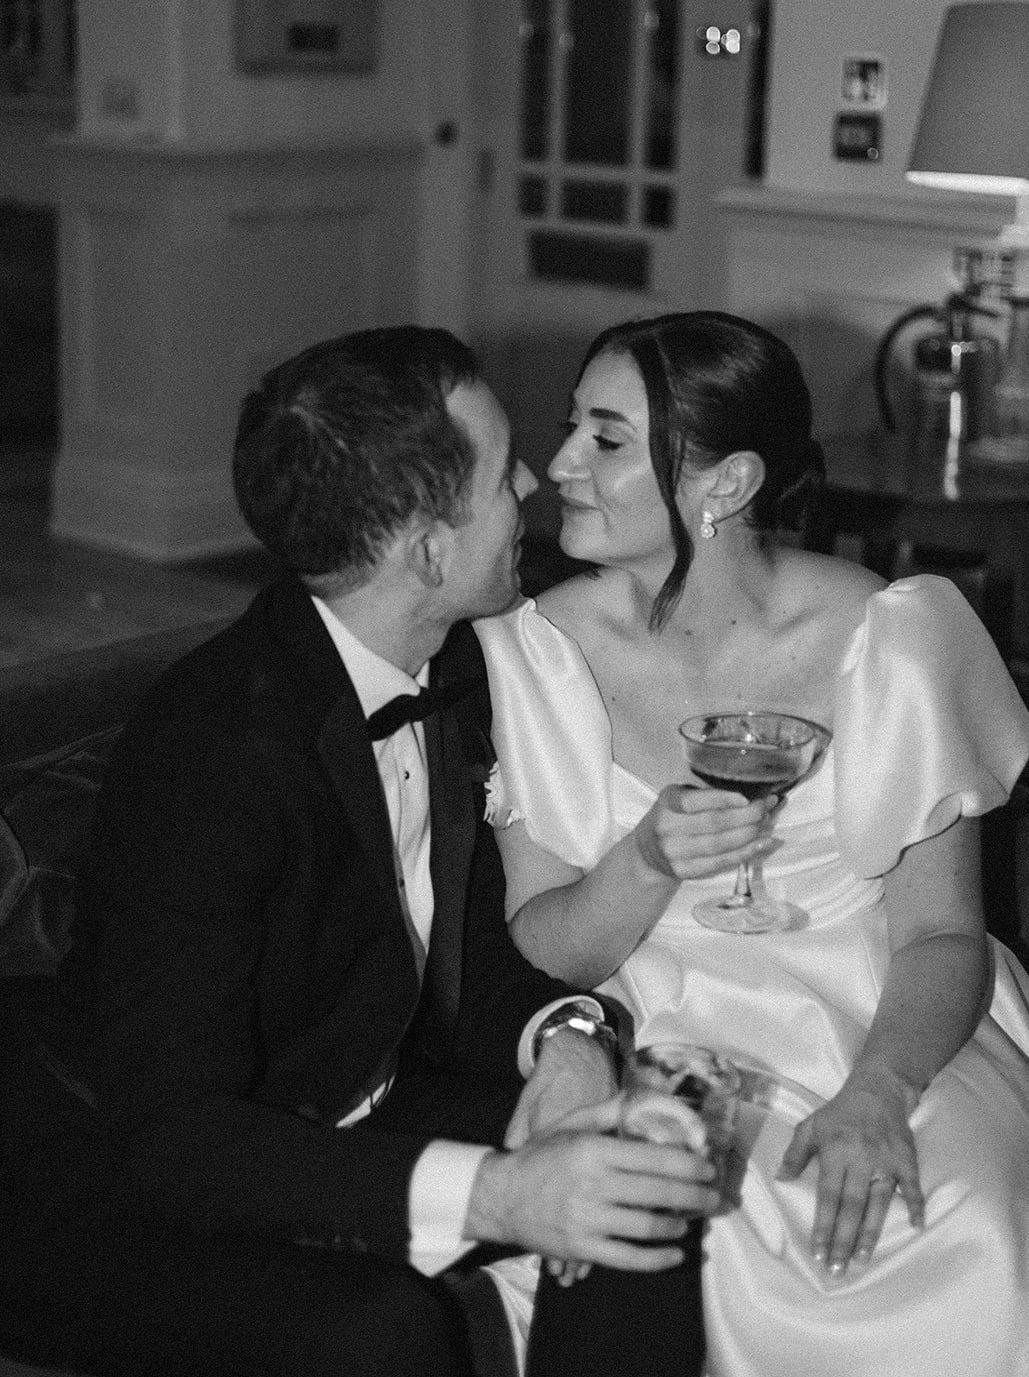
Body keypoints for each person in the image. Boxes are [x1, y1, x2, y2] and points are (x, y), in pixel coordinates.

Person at [0, 327, 720, 1377]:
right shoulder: (213, 752)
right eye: (498, 470)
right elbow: (177, 1137)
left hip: (349, 1099)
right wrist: (502, 1192)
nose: (531, 482)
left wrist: (567, 1040)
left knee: (639, 1175)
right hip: (112, 1166)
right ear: (429, 551)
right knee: (380, 1334)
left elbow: (478, 951)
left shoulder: (454, 667)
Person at [473, 310, 1029, 1377]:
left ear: (725, 485)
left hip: (896, 1021)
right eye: (571, 424)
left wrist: (874, 1094)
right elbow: (550, 946)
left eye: (607, 438)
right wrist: (648, 859)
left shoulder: (888, 635)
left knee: (971, 1233)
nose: (558, 464)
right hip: (670, 1033)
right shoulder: (537, 652)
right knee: (706, 1247)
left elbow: (943, 936)